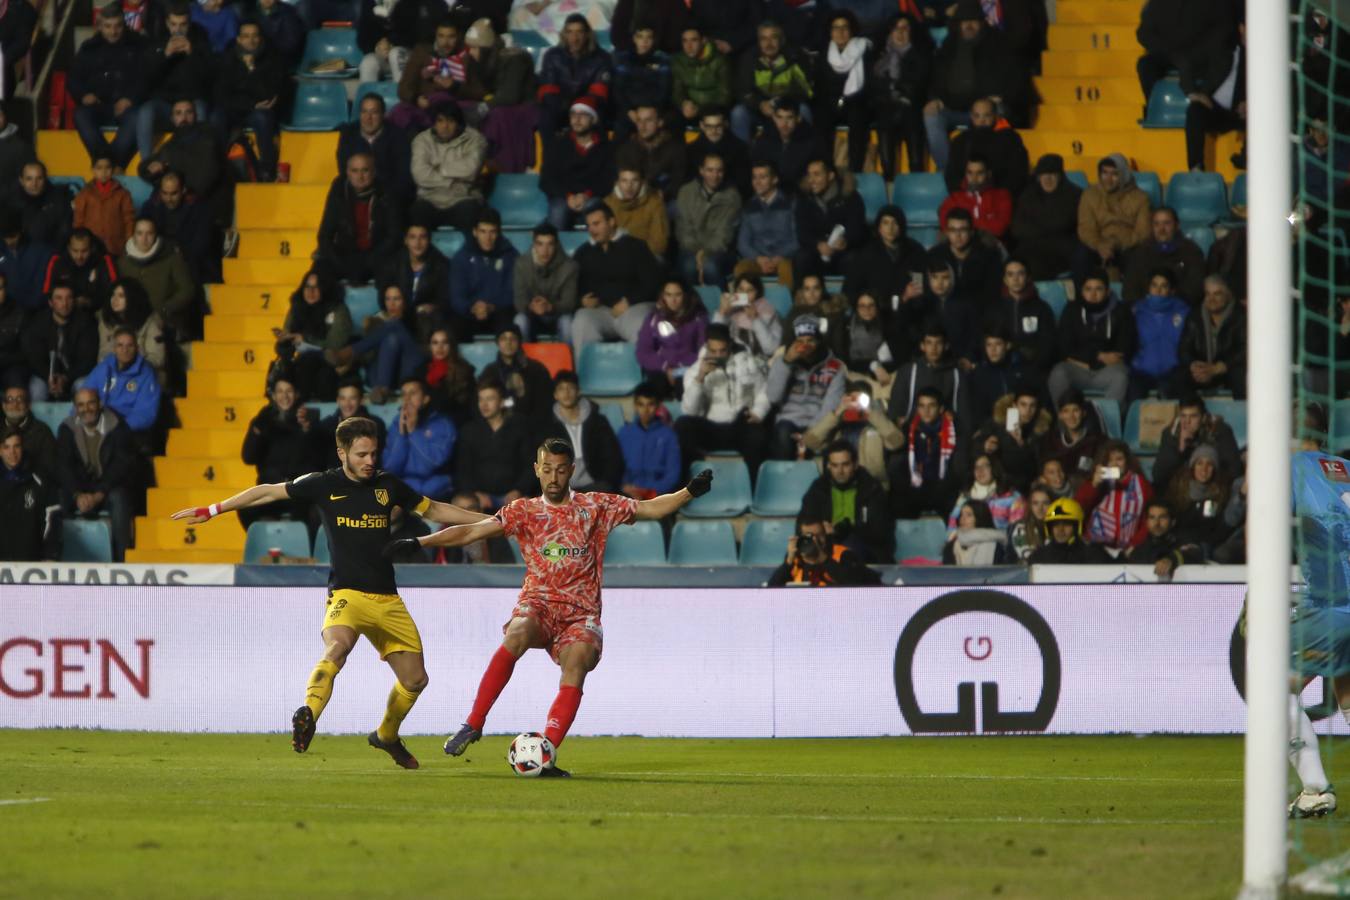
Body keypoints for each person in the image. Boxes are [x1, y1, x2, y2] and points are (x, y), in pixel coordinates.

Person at [173, 416, 489, 768]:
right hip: (346, 595)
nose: (370, 461)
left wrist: (487, 520)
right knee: (337, 647)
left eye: (373, 453)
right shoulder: (323, 484)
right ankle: (308, 713)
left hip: (387, 599)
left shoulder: (388, 485)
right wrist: (214, 509)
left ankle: (385, 735)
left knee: (416, 680)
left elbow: (436, 509)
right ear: (342, 453)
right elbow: (266, 490)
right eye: (361, 454)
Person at [398, 438, 713, 775]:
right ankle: (473, 723)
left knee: (577, 664)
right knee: (517, 633)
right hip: (539, 604)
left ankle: (545, 751)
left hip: (581, 614)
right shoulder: (524, 511)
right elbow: (471, 533)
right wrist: (420, 541)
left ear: (571, 471)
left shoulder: (595, 506)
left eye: (561, 470)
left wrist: (688, 493)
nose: (553, 477)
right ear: (536, 470)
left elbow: (651, 508)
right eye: (547, 469)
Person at [923, 0, 1029, 169]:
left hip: (987, 109)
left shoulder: (999, 43)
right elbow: (936, 79)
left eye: (973, 20)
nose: (968, 25)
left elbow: (1016, 81)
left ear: (982, 22)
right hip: (954, 106)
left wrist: (999, 98)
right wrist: (935, 98)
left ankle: (990, 170)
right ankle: (951, 171)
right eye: (964, 21)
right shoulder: (949, 46)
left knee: (993, 112)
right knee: (931, 116)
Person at [675, 323, 769, 474]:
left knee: (757, 434)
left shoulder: (747, 363)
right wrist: (700, 378)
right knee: (682, 425)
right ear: (707, 347)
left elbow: (764, 389)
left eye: (722, 351)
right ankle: (688, 487)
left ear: (730, 346)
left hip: (740, 425)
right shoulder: (695, 370)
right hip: (711, 428)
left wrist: (758, 411)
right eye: (713, 351)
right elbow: (689, 411)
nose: (718, 356)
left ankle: (753, 489)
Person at [56, 388, 136, 561]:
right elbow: (64, 467)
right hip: (80, 490)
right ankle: (60, 559)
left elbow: (121, 466)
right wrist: (77, 495)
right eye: (81, 405)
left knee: (120, 497)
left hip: (107, 489)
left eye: (91, 403)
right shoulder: (66, 429)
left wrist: (99, 494)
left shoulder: (117, 426)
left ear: (100, 404)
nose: (87, 409)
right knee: (58, 496)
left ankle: (121, 562)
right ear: (75, 408)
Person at [571, 203, 661, 353]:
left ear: (611, 222)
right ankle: (586, 373)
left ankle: (642, 374)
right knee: (581, 320)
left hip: (633, 308)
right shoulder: (583, 252)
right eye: (589, 226)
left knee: (642, 322)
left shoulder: (636, 247)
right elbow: (575, 287)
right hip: (601, 311)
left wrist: (630, 301)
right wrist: (582, 300)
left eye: (596, 224)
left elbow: (653, 283)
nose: (592, 230)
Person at [136, 3, 213, 166]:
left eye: (183, 24)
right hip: (165, 104)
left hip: (192, 101)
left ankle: (200, 162)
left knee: (200, 109)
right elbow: (147, 79)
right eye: (174, 24)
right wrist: (165, 55)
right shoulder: (157, 40)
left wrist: (192, 54)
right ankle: (147, 164)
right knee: (145, 111)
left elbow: (208, 79)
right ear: (167, 23)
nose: (178, 30)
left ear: (189, 23)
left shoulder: (200, 40)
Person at [70, 5, 146, 168]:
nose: (113, 31)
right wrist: (84, 95)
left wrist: (130, 99)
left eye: (118, 26)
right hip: (98, 105)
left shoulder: (138, 44)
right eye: (108, 26)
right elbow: (73, 80)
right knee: (80, 115)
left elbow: (146, 79)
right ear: (99, 26)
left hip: (127, 107)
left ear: (124, 24)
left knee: (138, 116)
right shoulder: (89, 48)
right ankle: (108, 161)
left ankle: (106, 164)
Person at [212, 19, 286, 183]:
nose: (250, 40)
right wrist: (250, 104)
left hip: (257, 111)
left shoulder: (272, 58)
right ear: (238, 39)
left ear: (260, 38)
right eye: (246, 36)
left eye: (254, 36)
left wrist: (252, 71)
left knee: (263, 116)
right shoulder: (228, 59)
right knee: (217, 117)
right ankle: (217, 168)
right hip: (235, 109)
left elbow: (268, 96)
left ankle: (267, 170)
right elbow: (221, 95)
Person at [316, 152, 405, 286]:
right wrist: (341, 263)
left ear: (374, 172)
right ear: (347, 172)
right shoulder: (339, 191)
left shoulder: (387, 192)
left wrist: (368, 262)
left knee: (391, 273)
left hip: (377, 256)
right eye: (355, 171)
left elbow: (394, 237)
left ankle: (386, 306)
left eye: (365, 170)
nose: (360, 177)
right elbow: (324, 236)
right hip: (346, 256)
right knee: (317, 275)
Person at [239, 375, 316, 530]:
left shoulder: (308, 420)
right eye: (280, 391)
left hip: (297, 492)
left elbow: (315, 459)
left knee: (314, 512)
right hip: (270, 490)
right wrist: (258, 430)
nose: (285, 396)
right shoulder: (263, 421)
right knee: (244, 507)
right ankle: (268, 540)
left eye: (289, 391)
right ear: (273, 395)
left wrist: (307, 431)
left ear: (296, 394)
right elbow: (248, 457)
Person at [765, 316, 848, 459]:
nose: (805, 346)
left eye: (810, 341)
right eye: (800, 341)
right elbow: (773, 397)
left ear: (819, 341)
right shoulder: (783, 363)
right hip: (788, 422)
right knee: (782, 433)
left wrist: (810, 433)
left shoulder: (836, 367)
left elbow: (831, 407)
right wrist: (786, 362)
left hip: (818, 424)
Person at [1047, 270, 1133, 407]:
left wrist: (1083, 359)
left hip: (1107, 369)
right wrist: (1097, 356)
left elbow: (1123, 349)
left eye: (1098, 289)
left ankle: (1106, 423)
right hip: (1077, 369)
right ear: (1082, 291)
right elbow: (1064, 347)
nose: (1093, 294)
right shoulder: (1072, 309)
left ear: (1108, 291)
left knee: (1121, 377)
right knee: (1058, 373)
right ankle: (1064, 424)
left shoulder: (1121, 311)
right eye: (1088, 289)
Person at [799, 440, 891, 562]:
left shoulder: (871, 488)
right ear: (828, 466)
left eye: (845, 465)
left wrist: (842, 529)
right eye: (835, 465)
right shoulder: (818, 489)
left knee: (850, 548)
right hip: (825, 545)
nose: (840, 471)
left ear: (855, 464)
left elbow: (880, 531)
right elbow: (803, 522)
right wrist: (820, 529)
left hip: (864, 549)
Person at [452, 378, 536, 509]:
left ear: (502, 402)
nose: (484, 404)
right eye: (481, 399)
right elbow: (463, 470)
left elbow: (531, 465)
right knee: (462, 503)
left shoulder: (519, 428)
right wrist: (476, 493)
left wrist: (518, 490)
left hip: (513, 495)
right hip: (480, 497)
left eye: (490, 399)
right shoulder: (469, 431)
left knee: (532, 507)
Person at [331, 284, 425, 399]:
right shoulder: (377, 322)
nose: (392, 304)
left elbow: (422, 352)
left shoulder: (416, 320)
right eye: (388, 299)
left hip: (408, 373)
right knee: (390, 338)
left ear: (405, 300)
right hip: (380, 376)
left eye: (397, 299)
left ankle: (348, 352)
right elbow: (369, 356)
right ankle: (382, 388)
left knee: (394, 328)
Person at [537, 370, 624, 493]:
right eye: (561, 389)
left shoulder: (598, 421)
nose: (566, 393)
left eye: (570, 388)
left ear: (578, 391)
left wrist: (606, 482)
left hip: (596, 486)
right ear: (555, 394)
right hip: (561, 488)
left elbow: (612, 457)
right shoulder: (547, 425)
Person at [275, 269, 354, 402]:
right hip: (304, 361)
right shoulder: (297, 308)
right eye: (308, 287)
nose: (311, 292)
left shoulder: (338, 309)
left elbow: (336, 343)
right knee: (296, 368)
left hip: (332, 362)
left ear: (325, 289)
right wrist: (284, 342)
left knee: (319, 372)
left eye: (316, 287)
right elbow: (285, 350)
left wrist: (306, 339)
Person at [409, 103, 489, 234]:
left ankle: (469, 253)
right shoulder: (422, 140)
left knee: (472, 212)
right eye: (440, 121)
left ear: (459, 123)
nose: (445, 126)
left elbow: (470, 170)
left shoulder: (476, 140)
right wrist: (451, 180)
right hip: (430, 199)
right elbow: (420, 175)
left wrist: (438, 168)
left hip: (463, 198)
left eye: (450, 121)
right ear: (434, 123)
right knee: (417, 212)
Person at [870, 14, 933, 179]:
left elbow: (919, 85)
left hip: (912, 106)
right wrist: (896, 88)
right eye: (896, 28)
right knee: (885, 118)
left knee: (911, 118)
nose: (900, 32)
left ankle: (916, 178)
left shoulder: (921, 54)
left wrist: (893, 86)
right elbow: (873, 85)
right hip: (885, 106)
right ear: (889, 32)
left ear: (912, 31)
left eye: (905, 28)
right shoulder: (879, 54)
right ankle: (888, 180)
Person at [540, 98, 615, 230]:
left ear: (593, 119)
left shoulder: (605, 148)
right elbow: (547, 179)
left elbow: (608, 179)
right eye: (573, 115)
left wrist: (587, 195)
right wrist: (568, 196)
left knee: (596, 213)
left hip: (592, 197)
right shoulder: (558, 145)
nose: (577, 119)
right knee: (558, 210)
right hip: (563, 197)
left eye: (583, 115)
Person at [731, 22, 812, 143]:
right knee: (738, 113)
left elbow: (806, 90)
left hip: (788, 109)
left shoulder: (795, 57)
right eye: (764, 38)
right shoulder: (749, 59)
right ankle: (741, 157)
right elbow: (743, 90)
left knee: (804, 110)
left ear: (781, 40)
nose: (768, 44)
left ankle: (805, 152)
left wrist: (780, 104)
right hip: (759, 110)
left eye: (773, 37)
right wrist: (760, 104)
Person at [888, 386, 963, 518]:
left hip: (943, 488)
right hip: (915, 488)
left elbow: (956, 469)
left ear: (940, 409)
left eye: (931, 406)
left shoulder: (954, 431)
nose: (926, 411)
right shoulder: (908, 430)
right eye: (922, 406)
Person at [118, 217, 198, 340]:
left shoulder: (172, 258)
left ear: (156, 235)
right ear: (133, 235)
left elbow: (187, 289)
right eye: (139, 233)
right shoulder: (124, 262)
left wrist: (166, 308)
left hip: (166, 322)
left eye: (149, 233)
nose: (144, 239)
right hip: (132, 324)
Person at [811, 11, 871, 174]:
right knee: (821, 117)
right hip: (830, 101)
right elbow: (820, 87)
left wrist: (847, 98)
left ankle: (855, 171)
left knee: (858, 117)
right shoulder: (824, 54)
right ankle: (825, 170)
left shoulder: (864, 49)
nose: (840, 32)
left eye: (845, 27)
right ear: (830, 32)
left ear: (852, 30)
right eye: (836, 28)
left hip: (857, 101)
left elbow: (869, 84)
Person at [535, 14, 614, 136]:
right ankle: (549, 154)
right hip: (560, 106)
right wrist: (566, 107)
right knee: (546, 117)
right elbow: (548, 90)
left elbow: (598, 95)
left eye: (579, 32)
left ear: (587, 34)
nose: (574, 38)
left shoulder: (602, 58)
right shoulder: (552, 56)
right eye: (570, 32)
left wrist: (577, 110)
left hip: (588, 108)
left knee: (597, 116)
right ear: (564, 34)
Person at [1010, 153, 1084, 281]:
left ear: (1060, 176)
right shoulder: (1029, 194)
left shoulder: (1074, 194)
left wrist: (1036, 226)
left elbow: (1062, 222)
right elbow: (1017, 228)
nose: (1047, 179)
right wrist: (1048, 228)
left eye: (1052, 174)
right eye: (1043, 174)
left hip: (1062, 250)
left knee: (1037, 266)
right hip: (1032, 246)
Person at [1172, 274, 1247, 399]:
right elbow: (1183, 349)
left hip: (1226, 369)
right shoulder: (1194, 316)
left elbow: (1245, 349)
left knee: (1240, 376)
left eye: (1217, 294)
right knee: (1177, 378)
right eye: (1208, 294)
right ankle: (1190, 416)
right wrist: (1194, 366)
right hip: (1202, 370)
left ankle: (1243, 417)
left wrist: (1219, 367)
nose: (1211, 299)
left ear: (1228, 295)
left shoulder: (1241, 316)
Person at [1076, 154, 1151, 278]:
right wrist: (1099, 245)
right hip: (1098, 245)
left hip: (1127, 246)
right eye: (1105, 173)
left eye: (1115, 174)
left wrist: (1116, 244)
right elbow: (1086, 228)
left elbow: (1142, 232)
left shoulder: (1141, 198)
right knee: (1080, 257)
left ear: (1123, 175)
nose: (1108, 179)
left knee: (1139, 259)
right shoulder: (1089, 195)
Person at [137, 98, 223, 206]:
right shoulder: (173, 142)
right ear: (172, 119)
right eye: (178, 113)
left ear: (195, 116)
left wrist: (173, 185)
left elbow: (206, 178)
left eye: (189, 112)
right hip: (176, 200)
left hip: (200, 203)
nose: (184, 117)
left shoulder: (208, 137)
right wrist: (152, 169)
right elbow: (144, 167)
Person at [1072, 439, 1153, 552]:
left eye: (1119, 459)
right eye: (1110, 460)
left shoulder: (1142, 485)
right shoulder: (1096, 482)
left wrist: (1134, 544)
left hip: (1126, 550)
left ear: (1127, 461)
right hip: (1095, 548)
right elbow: (1077, 508)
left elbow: (1148, 518)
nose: (1115, 464)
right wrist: (1093, 485)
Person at [673, 153, 741, 287]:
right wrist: (697, 251)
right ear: (701, 171)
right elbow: (683, 229)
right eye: (710, 170)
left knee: (710, 267)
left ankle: (719, 304)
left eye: (719, 171)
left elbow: (724, 234)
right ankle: (691, 305)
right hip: (690, 248)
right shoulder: (686, 192)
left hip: (718, 250)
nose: (715, 176)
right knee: (688, 267)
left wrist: (704, 252)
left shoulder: (733, 197)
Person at [449, 209, 518, 339]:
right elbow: (457, 296)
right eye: (483, 231)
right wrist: (472, 308)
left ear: (499, 233)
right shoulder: (461, 258)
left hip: (499, 312)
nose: (488, 238)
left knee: (509, 323)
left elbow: (513, 293)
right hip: (470, 313)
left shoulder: (511, 256)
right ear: (475, 232)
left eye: (492, 232)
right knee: (454, 325)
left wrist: (492, 307)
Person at [22, 283, 98, 403]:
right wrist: (50, 378)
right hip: (45, 375)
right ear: (51, 302)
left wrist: (66, 378)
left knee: (84, 387)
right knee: (36, 390)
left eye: (69, 298)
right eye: (59, 298)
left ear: (74, 300)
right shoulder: (38, 322)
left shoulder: (86, 323)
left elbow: (87, 360)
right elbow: (34, 358)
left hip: (75, 375)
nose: (65, 303)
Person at [384, 377, 456, 500]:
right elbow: (391, 468)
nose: (407, 399)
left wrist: (413, 432)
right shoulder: (397, 424)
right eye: (404, 394)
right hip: (406, 488)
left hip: (437, 490)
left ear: (425, 399)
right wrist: (402, 436)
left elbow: (432, 464)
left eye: (413, 393)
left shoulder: (443, 424)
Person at [795, 159, 867, 279]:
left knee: (853, 259)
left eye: (817, 174)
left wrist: (845, 241)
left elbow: (857, 227)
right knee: (801, 258)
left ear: (830, 176)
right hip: (817, 252)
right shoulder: (804, 200)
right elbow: (802, 232)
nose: (811, 180)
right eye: (809, 175)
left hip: (843, 253)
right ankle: (801, 296)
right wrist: (818, 245)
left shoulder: (850, 197)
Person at [944, 97, 1030, 198]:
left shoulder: (1011, 139)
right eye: (977, 116)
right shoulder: (960, 141)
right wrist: (965, 197)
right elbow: (952, 175)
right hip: (967, 201)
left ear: (996, 116)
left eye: (987, 115)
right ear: (971, 116)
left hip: (1001, 201)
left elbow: (1018, 173)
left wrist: (1001, 197)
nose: (982, 120)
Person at [1151, 395, 1241, 491]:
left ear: (1203, 417)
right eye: (1183, 416)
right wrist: (1179, 450)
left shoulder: (1220, 430)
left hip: (1213, 486)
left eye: (1193, 416)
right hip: (1182, 488)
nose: (1187, 422)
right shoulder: (1171, 433)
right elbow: (1158, 475)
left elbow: (1235, 470)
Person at [390, 18, 466, 132]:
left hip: (452, 106)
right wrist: (416, 99)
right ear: (435, 36)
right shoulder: (422, 52)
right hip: (425, 105)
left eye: (451, 37)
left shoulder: (464, 54)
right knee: (400, 111)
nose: (446, 42)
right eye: (441, 36)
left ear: (458, 37)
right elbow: (404, 87)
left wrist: (454, 86)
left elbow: (474, 89)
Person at [635, 279, 707, 397]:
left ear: (686, 295)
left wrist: (679, 368)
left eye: (678, 295)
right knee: (657, 386)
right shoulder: (653, 317)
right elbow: (643, 351)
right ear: (663, 296)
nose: (673, 300)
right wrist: (666, 367)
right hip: (660, 367)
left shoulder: (699, 318)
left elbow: (703, 350)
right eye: (668, 295)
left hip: (688, 367)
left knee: (685, 387)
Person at [843, 205, 926, 307]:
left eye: (895, 222)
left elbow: (918, 288)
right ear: (879, 227)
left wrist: (907, 298)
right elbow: (850, 290)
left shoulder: (915, 251)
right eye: (885, 223)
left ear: (901, 226)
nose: (890, 228)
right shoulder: (865, 255)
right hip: (877, 314)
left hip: (908, 313)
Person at [767, 513, 883, 586]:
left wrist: (824, 560)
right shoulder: (795, 560)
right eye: (809, 537)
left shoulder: (842, 554)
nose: (815, 541)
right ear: (799, 538)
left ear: (825, 535)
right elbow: (771, 591)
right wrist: (788, 563)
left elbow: (864, 584)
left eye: (819, 536)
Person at [84, 327, 162, 435]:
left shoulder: (146, 374)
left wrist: (119, 429)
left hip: (126, 429)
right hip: (101, 423)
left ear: (137, 348)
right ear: (114, 348)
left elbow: (145, 414)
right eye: (120, 345)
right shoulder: (103, 368)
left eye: (129, 345)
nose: (125, 350)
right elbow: (84, 395)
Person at [337, 94, 413, 202]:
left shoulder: (398, 136)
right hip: (356, 195)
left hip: (388, 198)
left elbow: (403, 176)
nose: (368, 118)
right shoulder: (348, 134)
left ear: (383, 114)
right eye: (364, 112)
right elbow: (344, 170)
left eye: (374, 112)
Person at [1122, 207, 1206, 305]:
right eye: (1156, 224)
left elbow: (1196, 289)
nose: (1161, 229)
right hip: (1145, 311)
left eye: (1167, 223)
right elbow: (1130, 290)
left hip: (1180, 311)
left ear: (1177, 225)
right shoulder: (1140, 253)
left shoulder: (1191, 252)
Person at [0, 428, 61, 561]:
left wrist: (50, 556)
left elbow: (53, 519)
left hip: (32, 561)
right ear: (0, 450)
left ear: (22, 448)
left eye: (17, 446)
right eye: (6, 447)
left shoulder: (40, 480)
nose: (12, 452)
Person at [1129, 267, 1189, 402]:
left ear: (1172, 290)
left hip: (1172, 372)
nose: (1158, 290)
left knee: (1169, 397)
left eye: (1164, 286)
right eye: (1154, 285)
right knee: (1134, 400)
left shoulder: (1184, 312)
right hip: (1141, 372)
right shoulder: (1135, 311)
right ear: (1148, 288)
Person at [375, 223, 452, 328]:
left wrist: (433, 307)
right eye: (412, 237)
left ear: (429, 240)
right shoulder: (393, 264)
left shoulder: (441, 265)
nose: (417, 242)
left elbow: (445, 301)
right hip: (399, 317)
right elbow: (382, 296)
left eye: (422, 237)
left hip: (427, 321)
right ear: (406, 240)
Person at [512, 224, 578, 343]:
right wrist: (531, 306)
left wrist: (549, 307)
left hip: (558, 315)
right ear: (534, 243)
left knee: (567, 323)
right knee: (519, 321)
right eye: (540, 244)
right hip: (532, 315)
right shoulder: (521, 264)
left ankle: (568, 360)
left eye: (550, 244)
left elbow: (569, 303)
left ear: (556, 244)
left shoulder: (570, 266)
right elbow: (519, 301)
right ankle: (522, 361)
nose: (545, 250)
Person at [735, 161, 797, 287]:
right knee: (741, 268)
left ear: (774, 179)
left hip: (783, 258)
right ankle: (744, 306)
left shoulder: (790, 203)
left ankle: (786, 305)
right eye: (754, 177)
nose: (757, 182)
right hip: (758, 259)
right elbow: (743, 243)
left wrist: (779, 257)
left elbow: (797, 239)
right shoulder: (749, 207)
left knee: (786, 268)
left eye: (763, 177)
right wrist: (758, 259)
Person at [1163, 443, 1232, 555]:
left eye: (1209, 464)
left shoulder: (1218, 494)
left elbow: (1213, 530)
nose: (1204, 469)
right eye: (1199, 463)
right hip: (1177, 544)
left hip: (1204, 548)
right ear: (1193, 466)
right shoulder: (1178, 489)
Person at [616, 383, 681, 500]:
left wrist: (650, 491)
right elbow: (616, 467)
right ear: (635, 406)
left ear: (657, 407)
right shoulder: (624, 433)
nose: (646, 410)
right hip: (628, 495)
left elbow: (673, 475)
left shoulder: (669, 435)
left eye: (650, 404)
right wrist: (625, 487)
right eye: (641, 404)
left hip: (658, 496)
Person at [927, 208, 1002, 307]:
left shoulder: (989, 257)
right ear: (947, 233)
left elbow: (992, 294)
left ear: (971, 232)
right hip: (942, 314)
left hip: (979, 314)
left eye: (963, 230)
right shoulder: (935, 255)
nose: (958, 235)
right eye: (953, 230)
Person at [480, 324, 554, 419]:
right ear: (497, 343)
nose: (508, 343)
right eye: (503, 339)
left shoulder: (536, 369)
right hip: (499, 425)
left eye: (513, 339)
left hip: (531, 425)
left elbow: (545, 403)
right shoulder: (489, 371)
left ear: (519, 342)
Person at [311, 378, 388, 470]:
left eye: (352, 398)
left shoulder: (375, 425)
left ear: (361, 400)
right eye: (343, 398)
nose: (347, 404)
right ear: (337, 400)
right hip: (333, 479)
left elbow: (378, 460)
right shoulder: (327, 425)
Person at [749, 98, 824, 189]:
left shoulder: (811, 141)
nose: (784, 123)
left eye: (789, 117)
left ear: (798, 118)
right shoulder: (764, 140)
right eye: (779, 117)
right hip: (771, 193)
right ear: (774, 118)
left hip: (800, 194)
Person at [612, 28, 672, 142]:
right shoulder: (623, 59)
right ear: (634, 39)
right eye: (640, 37)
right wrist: (629, 111)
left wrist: (653, 112)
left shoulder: (662, 59)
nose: (644, 41)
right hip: (630, 111)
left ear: (654, 40)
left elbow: (665, 90)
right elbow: (618, 90)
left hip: (654, 110)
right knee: (620, 129)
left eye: (648, 37)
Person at [613, 104, 686, 199]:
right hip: (634, 199)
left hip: (665, 200)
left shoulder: (675, 149)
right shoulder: (626, 149)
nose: (642, 126)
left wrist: (665, 193)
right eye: (639, 120)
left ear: (660, 122)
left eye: (648, 120)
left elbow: (679, 180)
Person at [1038, 390, 1104, 491]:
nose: (1071, 416)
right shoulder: (1050, 440)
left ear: (1083, 413)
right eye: (1066, 411)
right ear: (1060, 415)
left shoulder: (1097, 440)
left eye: (1076, 410)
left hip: (1086, 493)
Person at [938, 154, 1013, 241]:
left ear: (988, 174)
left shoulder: (1001, 197)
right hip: (960, 245)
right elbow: (945, 226)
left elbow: (1000, 228)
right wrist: (984, 223)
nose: (974, 178)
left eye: (979, 173)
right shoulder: (954, 199)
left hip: (990, 247)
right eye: (970, 172)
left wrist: (965, 225)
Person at [72, 155, 134, 261]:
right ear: (93, 170)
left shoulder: (123, 194)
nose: (104, 172)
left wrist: (129, 244)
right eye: (99, 168)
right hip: (91, 248)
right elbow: (79, 221)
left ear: (113, 169)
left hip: (116, 247)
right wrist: (79, 245)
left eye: (108, 168)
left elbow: (129, 220)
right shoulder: (85, 194)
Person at [1124, 500, 1202, 580]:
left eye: (1162, 517)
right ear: (1147, 522)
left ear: (1173, 522)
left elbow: (1195, 553)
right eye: (1152, 517)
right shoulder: (1138, 552)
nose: (1157, 523)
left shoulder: (1182, 541)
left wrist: (1170, 560)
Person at [671, 26, 732, 127]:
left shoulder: (719, 60)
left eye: (693, 40)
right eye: (685, 41)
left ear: (703, 41)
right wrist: (683, 103)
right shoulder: (678, 61)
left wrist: (700, 110)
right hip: (689, 111)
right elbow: (677, 91)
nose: (688, 46)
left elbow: (725, 96)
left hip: (714, 110)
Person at [605, 165, 669, 259]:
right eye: (624, 181)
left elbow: (659, 244)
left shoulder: (655, 204)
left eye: (634, 181)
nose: (629, 186)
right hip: (616, 256)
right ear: (617, 183)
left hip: (646, 256)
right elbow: (602, 239)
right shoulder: (607, 204)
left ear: (642, 183)